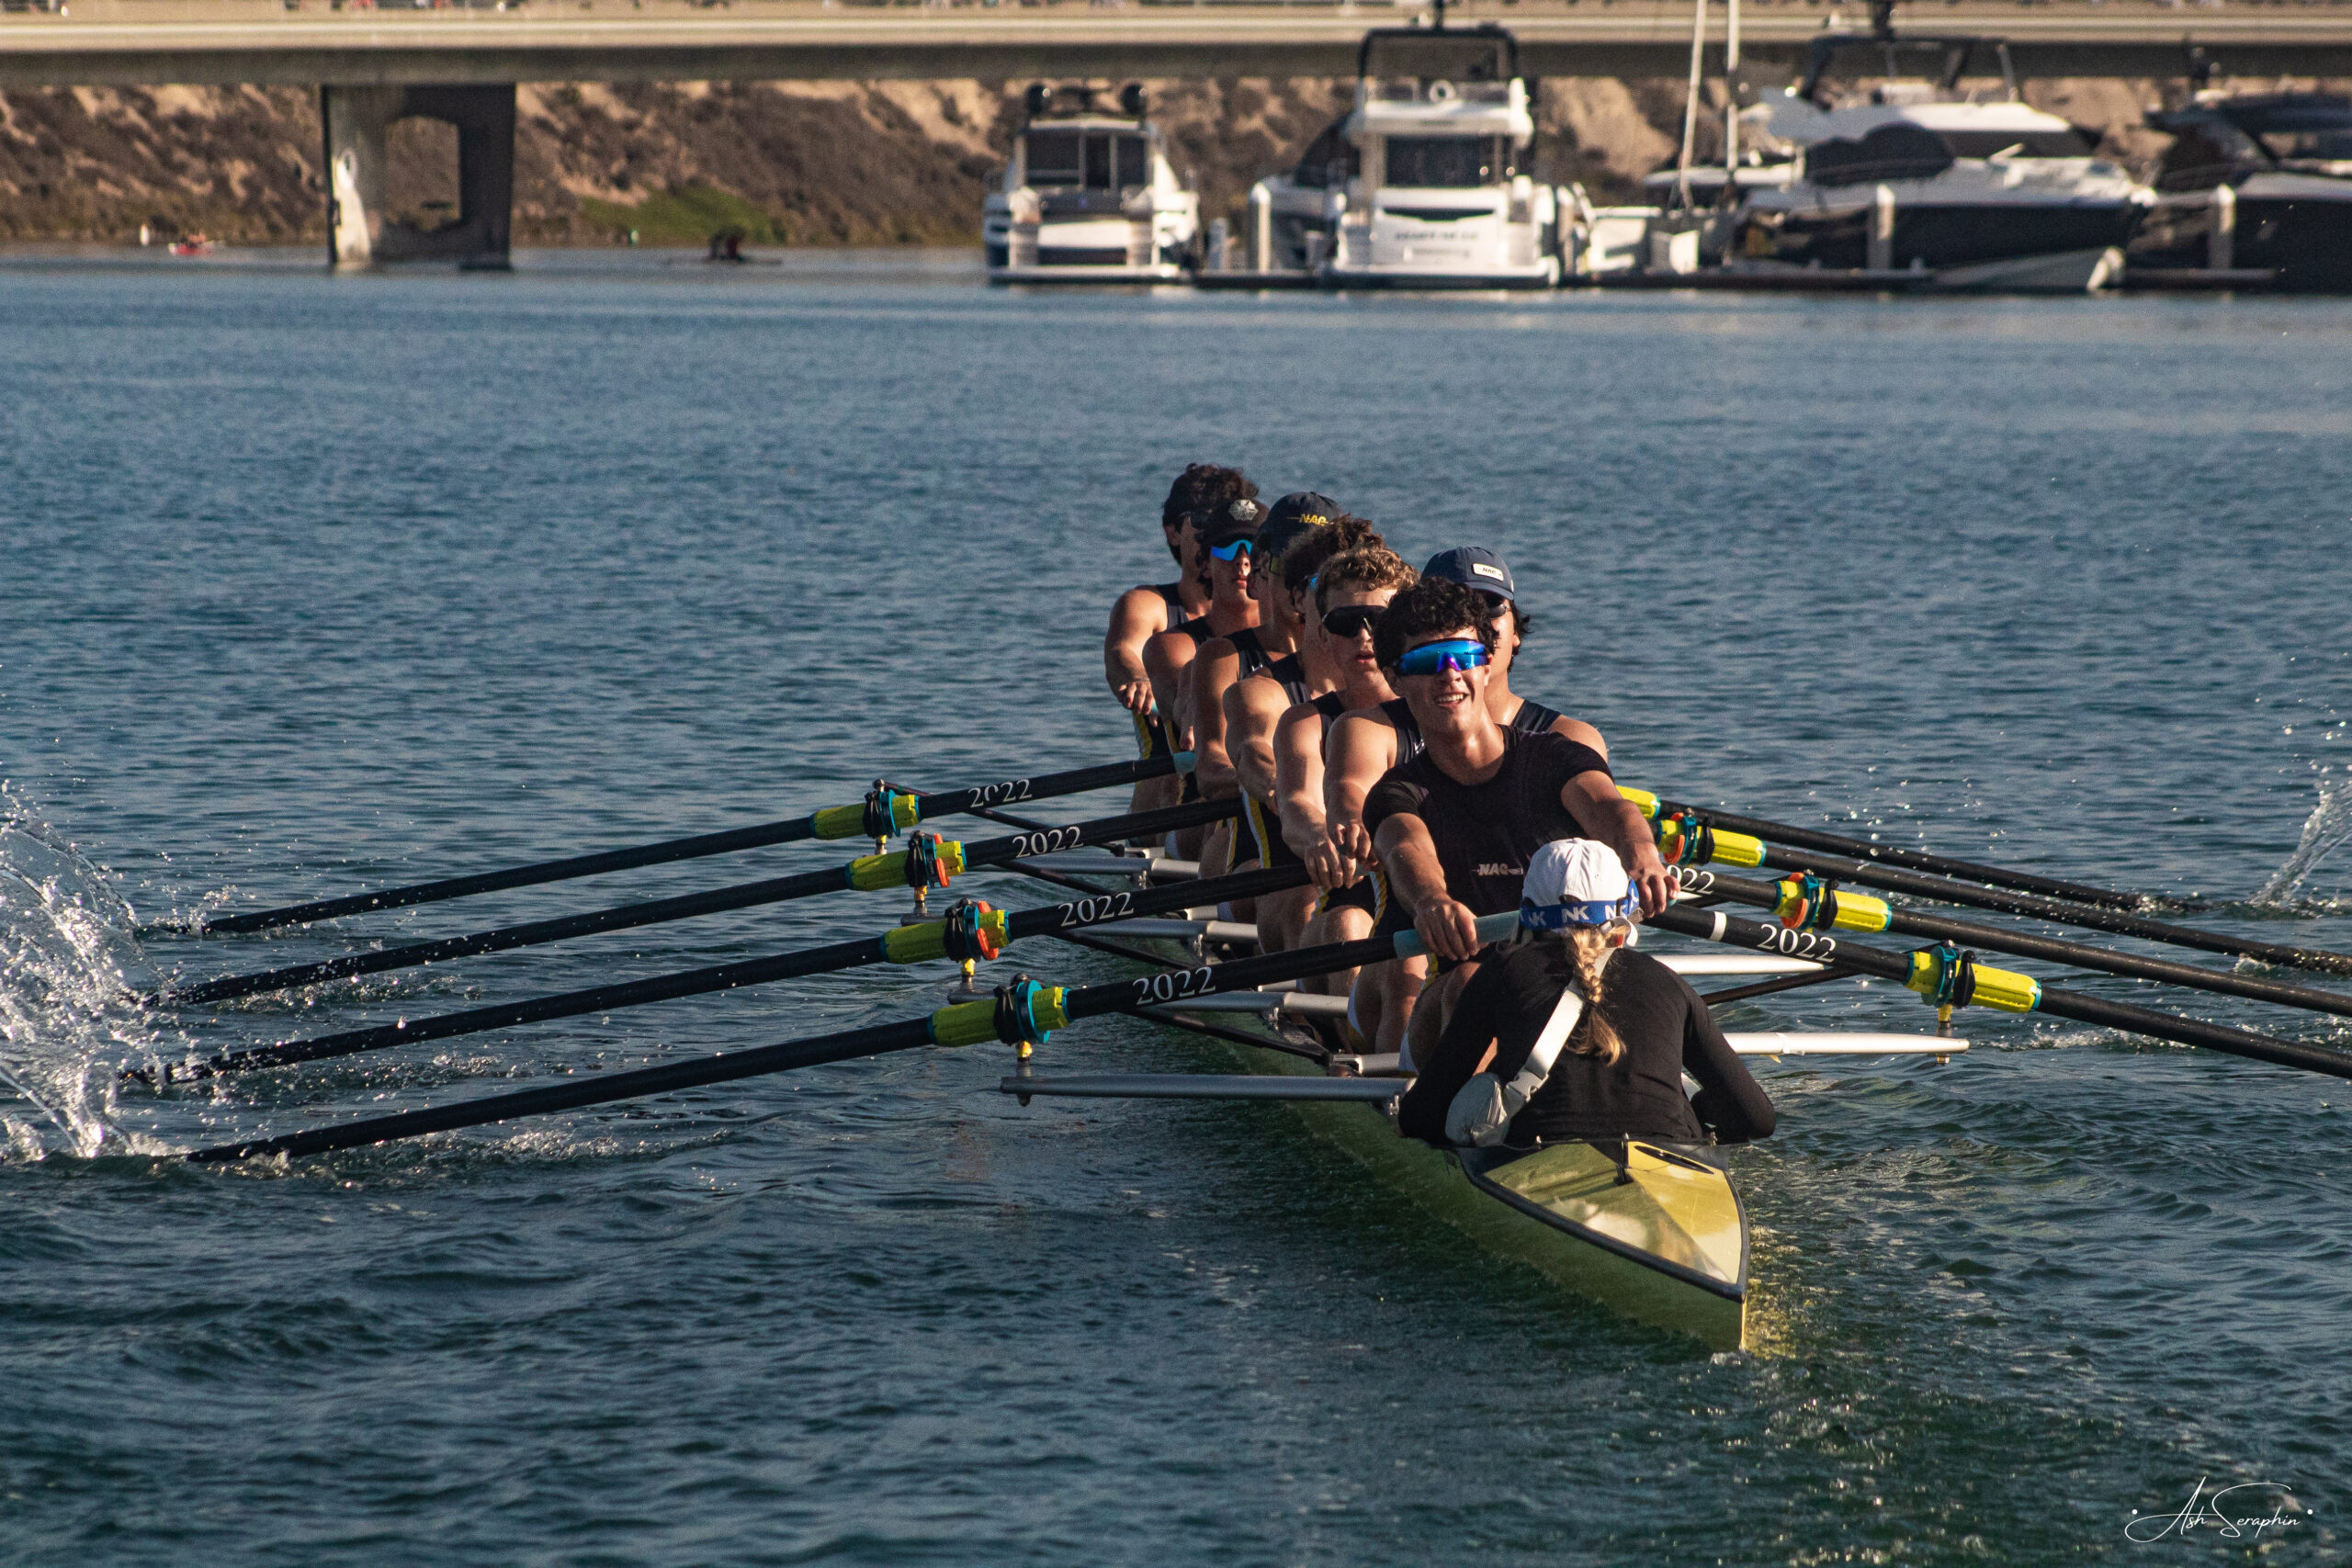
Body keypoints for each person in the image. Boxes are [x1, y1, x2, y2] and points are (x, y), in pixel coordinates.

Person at [1359, 578, 1670, 1067]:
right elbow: (1406, 850)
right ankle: (1481, 1132)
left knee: (1648, 982)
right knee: (1468, 982)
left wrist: (1642, 857)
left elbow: (1610, 809)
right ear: (1395, 679)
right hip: (1459, 1014)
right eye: (1425, 662)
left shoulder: (1554, 757)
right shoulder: (1398, 791)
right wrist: (1432, 902)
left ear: (1485, 664)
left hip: (1572, 980)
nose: (1449, 676)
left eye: (1462, 656)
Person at [1396, 840, 1775, 1150]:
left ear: (1526, 914)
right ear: (1625, 920)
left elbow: (1421, 1118)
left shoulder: (1502, 973)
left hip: (1537, 1158)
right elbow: (1756, 1119)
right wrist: (1690, 1108)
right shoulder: (1669, 981)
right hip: (1670, 1151)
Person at [1271, 542, 1414, 995]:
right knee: (1351, 925)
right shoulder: (1306, 721)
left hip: (1441, 907)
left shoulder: (1450, 713)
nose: (1365, 636)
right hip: (1352, 904)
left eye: (1380, 621)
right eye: (1347, 623)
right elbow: (1296, 800)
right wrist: (1318, 835)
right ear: (1322, 634)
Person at [1102, 464, 1254, 817]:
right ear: (1173, 532)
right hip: (1169, 801)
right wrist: (1138, 677)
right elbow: (1123, 650)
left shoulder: (1271, 622)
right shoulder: (1148, 605)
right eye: (1204, 521)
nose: (1218, 535)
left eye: (1232, 529)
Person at [1142, 493, 1266, 860]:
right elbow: (1185, 698)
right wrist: (1195, 714)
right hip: (1200, 809)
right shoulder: (1175, 645)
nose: (1242, 558)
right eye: (1228, 547)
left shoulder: (1303, 650)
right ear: (1207, 564)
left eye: (1253, 548)